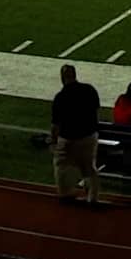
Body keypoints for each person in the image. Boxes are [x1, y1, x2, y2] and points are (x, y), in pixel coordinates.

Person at [48, 65, 101, 205]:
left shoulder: (60, 97)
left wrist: (53, 141)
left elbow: (55, 125)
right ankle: (92, 197)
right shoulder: (89, 90)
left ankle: (65, 193)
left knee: (61, 165)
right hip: (89, 136)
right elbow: (96, 112)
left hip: (69, 138)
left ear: (62, 77)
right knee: (89, 168)